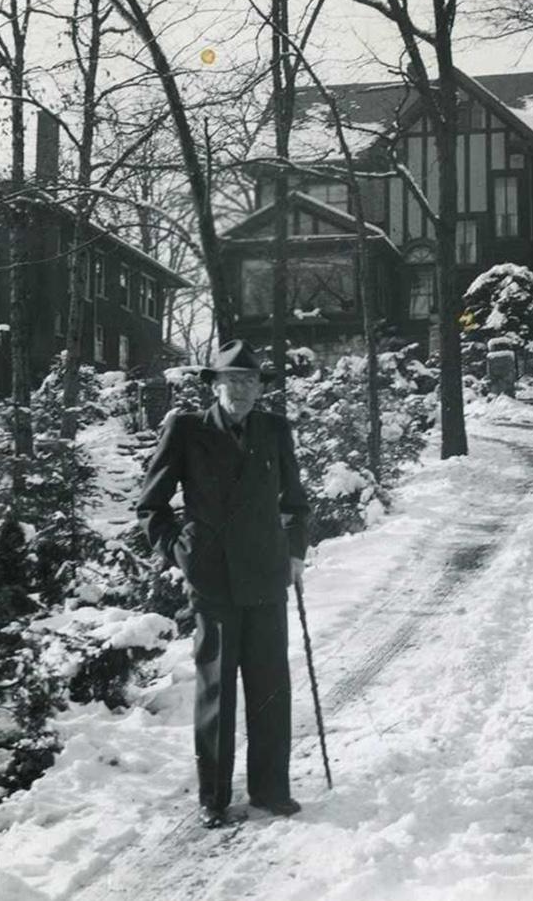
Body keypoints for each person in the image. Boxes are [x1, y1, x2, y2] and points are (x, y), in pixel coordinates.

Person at [136, 341, 310, 829]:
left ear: (260, 389)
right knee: (216, 691)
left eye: (249, 381)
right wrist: (182, 554)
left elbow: (295, 501)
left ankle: (272, 790)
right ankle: (213, 798)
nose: (241, 389)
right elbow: (151, 506)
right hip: (212, 581)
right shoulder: (187, 430)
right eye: (231, 380)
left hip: (266, 575)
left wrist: (295, 551)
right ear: (214, 386)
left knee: (271, 686)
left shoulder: (274, 429)